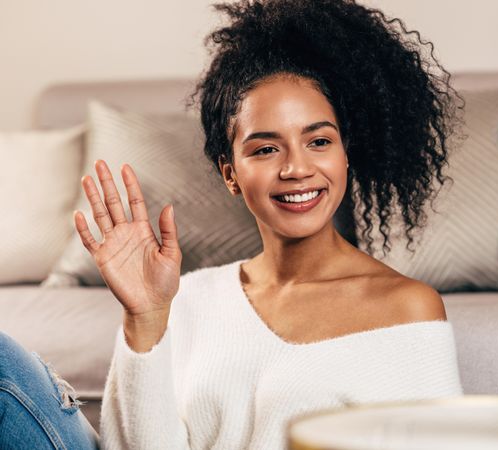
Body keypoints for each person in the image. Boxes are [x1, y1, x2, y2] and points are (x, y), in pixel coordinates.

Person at [0, 0, 464, 448]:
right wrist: (145, 317)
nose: (297, 168)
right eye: (266, 149)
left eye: (319, 141)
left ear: (345, 155)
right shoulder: (187, 298)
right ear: (230, 174)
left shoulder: (407, 308)